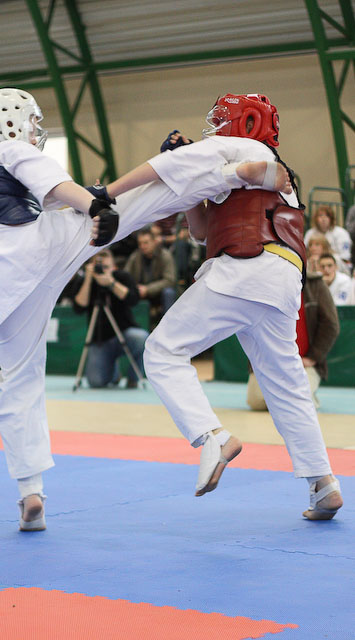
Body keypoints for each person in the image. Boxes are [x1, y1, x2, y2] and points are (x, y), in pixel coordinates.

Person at [0, 86, 294, 532]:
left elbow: (38, 209)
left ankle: (30, 493)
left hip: (3, 294)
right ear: (10, 122)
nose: (34, 131)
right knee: (138, 201)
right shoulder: (9, 150)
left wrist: (87, 200)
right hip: (34, 250)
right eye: (31, 122)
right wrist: (96, 205)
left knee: (18, 381)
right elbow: (59, 186)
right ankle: (232, 173)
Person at [101, 93, 343, 521]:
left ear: (245, 123)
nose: (213, 128)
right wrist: (197, 182)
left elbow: (179, 170)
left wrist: (107, 191)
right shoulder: (243, 163)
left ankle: (212, 435)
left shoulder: (239, 148)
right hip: (281, 279)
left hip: (245, 270)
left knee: (162, 351)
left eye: (221, 120)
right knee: (285, 385)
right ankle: (323, 484)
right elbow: (200, 230)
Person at [247, 271, 340, 410]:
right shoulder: (262, 282)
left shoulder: (316, 284)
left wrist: (313, 358)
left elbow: (331, 325)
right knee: (257, 401)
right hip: (268, 362)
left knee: (300, 402)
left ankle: (304, 398)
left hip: (305, 363)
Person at [72, 249, 148, 388]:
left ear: (114, 267)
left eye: (106, 267)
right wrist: (88, 279)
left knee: (141, 338)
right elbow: (78, 308)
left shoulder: (122, 277)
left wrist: (111, 283)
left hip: (124, 333)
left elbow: (133, 299)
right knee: (96, 382)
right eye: (98, 266)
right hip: (100, 339)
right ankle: (114, 373)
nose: (102, 270)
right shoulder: (85, 280)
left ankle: (134, 378)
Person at [125, 226, 177, 327]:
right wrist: (135, 288)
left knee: (169, 292)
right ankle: (131, 326)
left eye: (146, 243)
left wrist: (148, 289)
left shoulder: (165, 255)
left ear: (154, 242)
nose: (142, 246)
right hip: (140, 291)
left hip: (159, 292)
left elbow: (170, 280)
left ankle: (169, 326)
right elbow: (126, 276)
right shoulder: (135, 257)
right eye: (140, 243)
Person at [305, 204, 352, 274]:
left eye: (327, 216)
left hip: (338, 268)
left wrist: (323, 259)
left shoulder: (341, 233)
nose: (323, 219)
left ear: (331, 218)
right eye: (320, 216)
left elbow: (345, 258)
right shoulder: (310, 233)